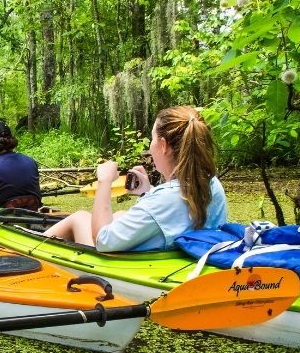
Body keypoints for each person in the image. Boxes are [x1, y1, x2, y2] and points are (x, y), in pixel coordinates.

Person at [43, 106, 228, 251]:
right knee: (120, 215)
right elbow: (174, 213)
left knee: (80, 217)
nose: (150, 145)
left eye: (152, 139)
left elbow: (102, 240)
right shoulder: (212, 184)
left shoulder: (164, 200)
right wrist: (148, 193)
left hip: (128, 268)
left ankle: (27, 251)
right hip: (180, 259)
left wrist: (104, 182)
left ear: (163, 145)